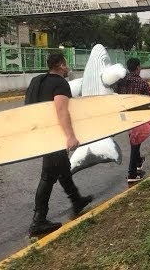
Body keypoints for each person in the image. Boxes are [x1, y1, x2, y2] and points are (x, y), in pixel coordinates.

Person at [27, 53, 93, 237]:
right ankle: (38, 221)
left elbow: (28, 108)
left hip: (39, 133)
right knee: (48, 176)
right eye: (66, 63)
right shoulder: (60, 83)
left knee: (62, 167)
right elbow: (61, 110)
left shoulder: (36, 81)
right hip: (53, 135)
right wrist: (70, 136)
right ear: (60, 65)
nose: (68, 66)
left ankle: (77, 200)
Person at [115, 58, 150, 183]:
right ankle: (132, 174)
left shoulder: (121, 82)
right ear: (138, 67)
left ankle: (138, 162)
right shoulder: (142, 83)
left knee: (134, 140)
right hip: (138, 118)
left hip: (125, 117)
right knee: (135, 144)